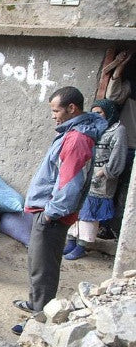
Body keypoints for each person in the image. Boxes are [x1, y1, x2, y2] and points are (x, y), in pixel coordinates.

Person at [11, 87, 107, 335]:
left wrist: (51, 213)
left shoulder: (76, 139)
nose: (53, 116)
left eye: (56, 110)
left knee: (44, 268)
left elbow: (69, 184)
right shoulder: (74, 134)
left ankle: (38, 321)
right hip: (48, 213)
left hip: (52, 215)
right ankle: (35, 304)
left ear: (71, 108)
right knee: (37, 262)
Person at [64, 99, 127, 260]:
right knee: (76, 208)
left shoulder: (117, 130)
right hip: (86, 172)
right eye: (94, 112)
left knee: (89, 213)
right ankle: (71, 241)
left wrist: (103, 172)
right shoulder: (93, 127)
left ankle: (82, 245)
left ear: (109, 113)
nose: (96, 115)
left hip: (102, 178)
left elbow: (118, 157)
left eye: (99, 112)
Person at [104, 51, 136, 236]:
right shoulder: (132, 88)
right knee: (114, 192)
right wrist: (120, 66)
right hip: (128, 147)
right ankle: (109, 229)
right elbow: (113, 96)